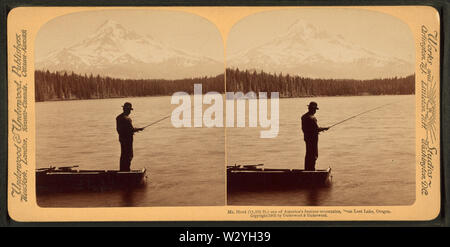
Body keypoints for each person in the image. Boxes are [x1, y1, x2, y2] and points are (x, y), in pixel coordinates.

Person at [301, 101, 329, 171]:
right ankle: (311, 171)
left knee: (308, 154)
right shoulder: (312, 118)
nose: (315, 111)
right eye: (315, 109)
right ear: (312, 109)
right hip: (313, 139)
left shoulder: (304, 117)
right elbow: (316, 129)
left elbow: (306, 129)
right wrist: (325, 128)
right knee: (313, 155)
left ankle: (307, 169)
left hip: (307, 138)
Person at [116, 102, 144, 171]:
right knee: (129, 155)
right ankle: (126, 171)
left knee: (123, 155)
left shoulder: (118, 117)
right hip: (127, 140)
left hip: (122, 139)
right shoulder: (127, 119)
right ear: (126, 110)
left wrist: (134, 130)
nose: (130, 112)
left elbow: (120, 129)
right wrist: (138, 129)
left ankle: (123, 170)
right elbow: (130, 129)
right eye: (129, 110)